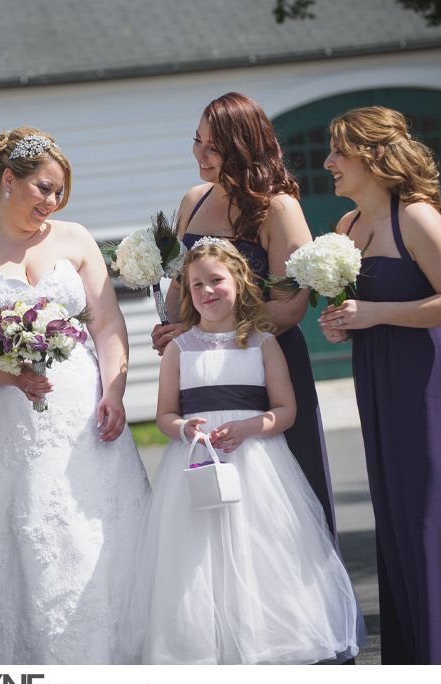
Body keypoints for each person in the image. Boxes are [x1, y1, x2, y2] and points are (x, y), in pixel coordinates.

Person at [0, 127, 149, 664]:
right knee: (9, 530)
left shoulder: (74, 239)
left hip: (78, 407)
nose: (51, 203)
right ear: (9, 180)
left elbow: (107, 321)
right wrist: (8, 375)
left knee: (87, 525)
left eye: (59, 194)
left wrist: (116, 389)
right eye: (43, 189)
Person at [319, 106, 441, 664]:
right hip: (376, 379)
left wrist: (373, 313)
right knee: (399, 511)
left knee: (433, 512)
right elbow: (359, 313)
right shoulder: (345, 229)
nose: (327, 162)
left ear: (371, 157)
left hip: (428, 385)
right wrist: (342, 322)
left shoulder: (418, 217)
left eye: (337, 152)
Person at [127, 238, 361, 664]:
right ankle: (205, 643)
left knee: (260, 549)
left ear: (238, 280)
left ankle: (264, 638)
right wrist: (183, 428)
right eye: (196, 285)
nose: (207, 292)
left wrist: (251, 427)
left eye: (215, 280)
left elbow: (286, 410)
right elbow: (164, 414)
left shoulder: (261, 343)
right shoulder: (179, 350)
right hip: (197, 462)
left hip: (256, 462)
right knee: (196, 557)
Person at [152, 92, 338, 536]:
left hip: (264, 363)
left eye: (213, 147)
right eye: (196, 141)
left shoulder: (278, 208)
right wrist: (176, 329)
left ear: (244, 147)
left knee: (278, 505)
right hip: (203, 371)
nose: (200, 153)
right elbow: (183, 284)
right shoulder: (193, 199)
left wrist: (215, 330)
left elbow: (291, 306)